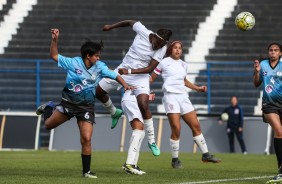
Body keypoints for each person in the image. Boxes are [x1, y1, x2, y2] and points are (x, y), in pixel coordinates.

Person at [36, 28, 133, 179]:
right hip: (68, 104)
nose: (98, 59)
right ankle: (49, 107)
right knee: (48, 125)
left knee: (86, 138)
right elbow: (54, 55)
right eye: (96, 56)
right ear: (88, 56)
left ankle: (86, 172)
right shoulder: (73, 62)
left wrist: (125, 85)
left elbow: (115, 75)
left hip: (86, 107)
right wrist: (54, 40)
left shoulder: (100, 67)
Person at [96, 20, 172, 156]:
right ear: (154, 36)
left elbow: (150, 68)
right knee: (98, 92)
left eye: (163, 44)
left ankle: (152, 141)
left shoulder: (162, 48)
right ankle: (114, 112)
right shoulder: (142, 31)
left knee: (143, 105)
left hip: (140, 77)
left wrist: (129, 72)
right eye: (159, 43)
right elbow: (130, 22)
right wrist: (111, 26)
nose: (159, 46)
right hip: (122, 71)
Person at [150, 41, 221, 169]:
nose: (178, 50)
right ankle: (175, 160)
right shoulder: (163, 62)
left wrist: (197, 88)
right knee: (176, 128)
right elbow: (151, 78)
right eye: (175, 48)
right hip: (170, 97)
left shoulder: (184, 65)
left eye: (180, 48)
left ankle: (206, 155)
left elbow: (183, 81)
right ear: (170, 50)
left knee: (196, 126)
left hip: (183, 97)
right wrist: (146, 90)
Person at [253, 42, 282, 184]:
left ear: (280, 53)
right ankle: (281, 169)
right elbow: (256, 83)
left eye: (276, 50)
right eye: (271, 50)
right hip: (269, 105)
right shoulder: (263, 64)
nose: (273, 52)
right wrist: (257, 71)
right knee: (279, 131)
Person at [120, 90, 146, 175]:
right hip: (131, 99)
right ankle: (129, 164)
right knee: (138, 130)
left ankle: (132, 164)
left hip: (132, 99)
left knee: (141, 132)